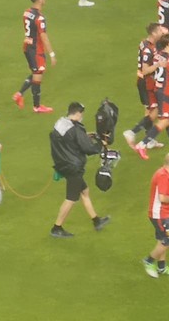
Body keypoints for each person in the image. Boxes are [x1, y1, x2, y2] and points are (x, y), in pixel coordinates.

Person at [49, 102, 111, 238]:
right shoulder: (75, 129)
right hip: (73, 167)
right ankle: (56, 228)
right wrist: (100, 144)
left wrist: (85, 136)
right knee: (71, 198)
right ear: (78, 114)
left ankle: (96, 221)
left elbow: (66, 139)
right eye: (81, 114)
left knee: (84, 191)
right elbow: (88, 149)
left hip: (63, 163)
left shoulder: (61, 123)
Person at [123, 22, 167, 150]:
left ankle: (149, 140)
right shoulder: (148, 49)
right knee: (156, 110)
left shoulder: (146, 43)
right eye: (159, 31)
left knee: (150, 110)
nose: (161, 32)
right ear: (153, 33)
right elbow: (145, 70)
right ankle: (132, 132)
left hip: (146, 82)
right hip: (146, 82)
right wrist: (158, 64)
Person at [12, 0, 56, 114]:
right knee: (38, 75)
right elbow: (43, 36)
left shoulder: (27, 12)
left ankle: (19, 94)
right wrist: (51, 54)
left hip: (27, 46)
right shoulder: (40, 18)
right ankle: (37, 107)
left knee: (36, 72)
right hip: (36, 49)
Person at [143, 152, 169, 278]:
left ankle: (161, 267)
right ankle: (149, 261)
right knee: (168, 242)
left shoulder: (163, 173)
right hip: (160, 215)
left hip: (162, 213)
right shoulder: (163, 176)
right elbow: (162, 198)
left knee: (162, 240)